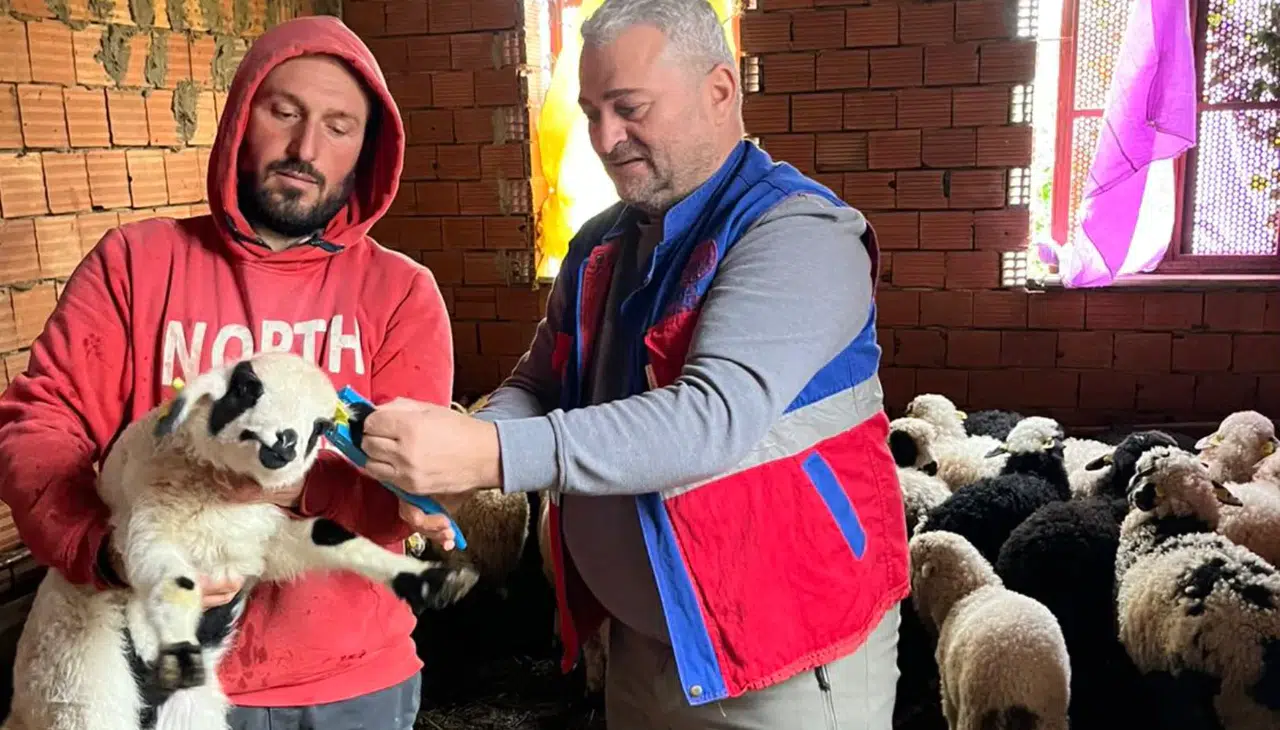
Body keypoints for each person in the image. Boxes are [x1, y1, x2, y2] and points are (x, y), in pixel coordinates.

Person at [356, 0, 909, 727]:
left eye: (630, 108)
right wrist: (465, 454)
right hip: (647, 641)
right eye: (591, 112)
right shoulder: (601, 246)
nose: (604, 138)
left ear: (720, 90)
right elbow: (539, 383)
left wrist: (488, 453)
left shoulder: (799, 234)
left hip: (786, 658)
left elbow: (709, 419)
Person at [0, 15, 458, 730]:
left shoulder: (400, 293)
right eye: (285, 112)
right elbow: (40, 422)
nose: (306, 149)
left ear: (366, 150)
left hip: (350, 682)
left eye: (339, 127)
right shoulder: (136, 264)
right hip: (153, 671)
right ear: (243, 117)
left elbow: (401, 488)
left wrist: (317, 484)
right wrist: (104, 550)